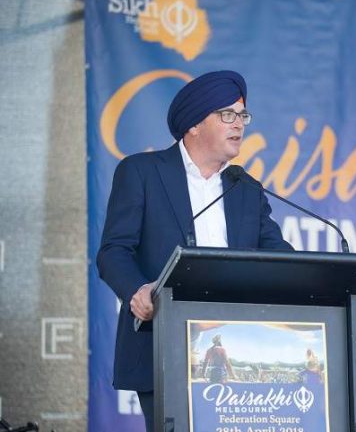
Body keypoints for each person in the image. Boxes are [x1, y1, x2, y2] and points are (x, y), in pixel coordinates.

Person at [97, 70, 292, 432]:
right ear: (194, 125)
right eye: (228, 115)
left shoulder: (245, 188)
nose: (240, 124)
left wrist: (306, 275)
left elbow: (280, 257)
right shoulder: (142, 172)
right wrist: (138, 290)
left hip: (237, 342)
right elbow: (113, 251)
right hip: (163, 343)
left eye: (243, 116)